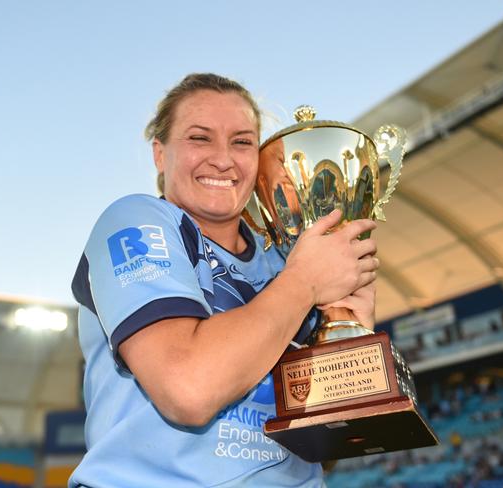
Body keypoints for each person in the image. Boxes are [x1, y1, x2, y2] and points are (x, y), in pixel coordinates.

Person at [70, 73, 378, 487]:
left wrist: (348, 337)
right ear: (160, 154)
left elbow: (321, 451)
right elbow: (188, 390)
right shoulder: (137, 222)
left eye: (242, 141)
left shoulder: (285, 259)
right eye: (199, 138)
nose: (223, 159)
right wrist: (304, 282)